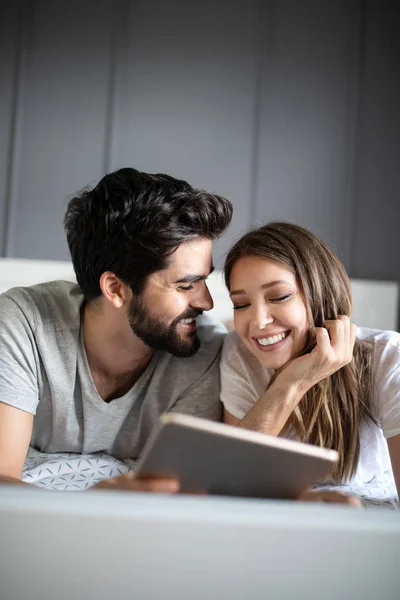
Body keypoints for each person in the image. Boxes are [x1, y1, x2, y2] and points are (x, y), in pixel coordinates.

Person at [0, 167, 232, 492]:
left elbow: (179, 493)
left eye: (205, 279)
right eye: (186, 285)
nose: (207, 302)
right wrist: (92, 502)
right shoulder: (23, 324)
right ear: (116, 288)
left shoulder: (206, 352)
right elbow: (3, 484)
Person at [220, 222, 400, 497]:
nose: (257, 321)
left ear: (321, 293)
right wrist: (292, 383)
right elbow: (228, 482)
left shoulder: (386, 355)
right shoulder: (239, 353)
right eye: (241, 304)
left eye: (279, 296)